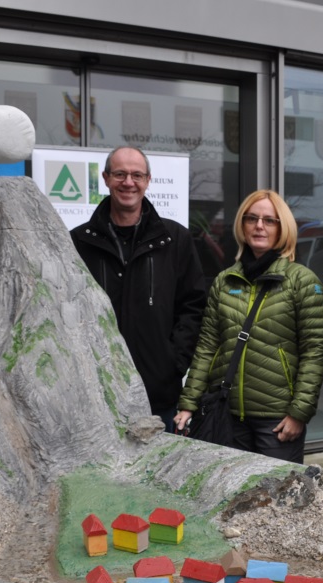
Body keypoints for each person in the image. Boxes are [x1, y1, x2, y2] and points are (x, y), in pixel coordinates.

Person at [175, 190, 323, 463]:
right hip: (226, 416)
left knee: (275, 500)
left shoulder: (302, 281)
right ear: (242, 225)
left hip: (278, 422)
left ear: (283, 228)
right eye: (252, 218)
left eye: (270, 220)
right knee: (227, 495)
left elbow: (315, 352)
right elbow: (207, 346)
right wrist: (188, 404)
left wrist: (299, 414)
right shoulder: (225, 280)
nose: (259, 226)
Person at [71, 146, 206, 431]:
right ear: (106, 178)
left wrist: (173, 363)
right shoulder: (78, 242)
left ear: (148, 180)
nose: (128, 182)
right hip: (97, 391)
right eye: (120, 174)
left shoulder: (175, 239)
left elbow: (192, 307)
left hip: (158, 392)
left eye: (136, 175)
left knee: (159, 473)